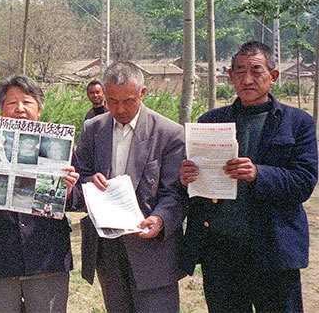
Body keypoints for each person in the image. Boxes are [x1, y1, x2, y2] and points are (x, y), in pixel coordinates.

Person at [180, 41, 318, 313]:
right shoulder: (210, 121)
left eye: (256, 71)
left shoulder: (298, 122)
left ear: (273, 76)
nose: (247, 79)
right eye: (239, 71)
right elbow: (194, 185)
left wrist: (258, 174)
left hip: (274, 250)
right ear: (229, 76)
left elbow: (304, 182)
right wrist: (187, 177)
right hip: (221, 251)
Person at [0, 75, 80, 313]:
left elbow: (77, 201)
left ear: (39, 109)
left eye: (27, 102)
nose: (20, 109)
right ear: (1, 109)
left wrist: (69, 189)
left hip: (47, 258)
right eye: (12, 103)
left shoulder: (59, 146)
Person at [72, 61, 186, 313]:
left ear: (142, 93)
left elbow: (175, 193)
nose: (120, 109)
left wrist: (160, 218)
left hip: (152, 250)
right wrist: (89, 184)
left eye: (129, 101)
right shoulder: (93, 129)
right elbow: (80, 178)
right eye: (112, 101)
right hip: (108, 248)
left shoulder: (169, 133)